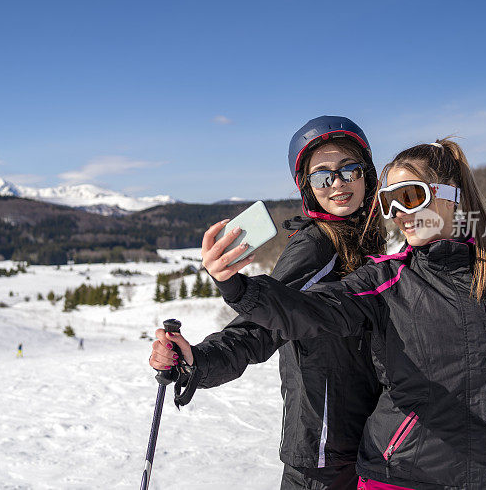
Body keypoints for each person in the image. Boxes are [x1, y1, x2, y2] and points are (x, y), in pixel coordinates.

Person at [197, 139, 486, 490]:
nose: (400, 214)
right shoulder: (387, 279)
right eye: (391, 202)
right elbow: (308, 310)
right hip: (402, 474)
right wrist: (238, 287)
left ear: (451, 195)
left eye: (410, 196)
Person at [150, 116, 387, 489]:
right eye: (322, 176)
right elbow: (262, 326)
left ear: (367, 175)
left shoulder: (367, 240)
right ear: (308, 188)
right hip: (323, 454)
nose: (337, 183)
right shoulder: (317, 244)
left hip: (368, 443)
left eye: (349, 169)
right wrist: (198, 359)